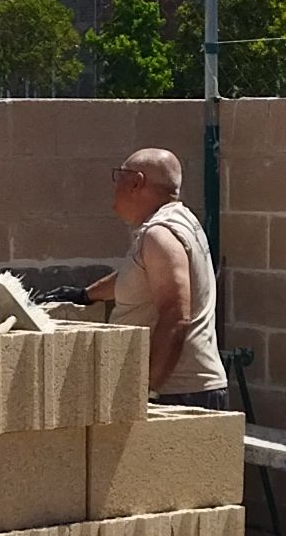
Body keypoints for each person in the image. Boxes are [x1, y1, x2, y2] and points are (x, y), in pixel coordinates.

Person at [88, 146, 226, 405]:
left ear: (136, 182)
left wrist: (148, 389)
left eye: (119, 176)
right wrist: (85, 294)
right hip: (180, 390)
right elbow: (141, 276)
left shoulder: (160, 234)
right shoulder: (178, 221)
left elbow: (175, 314)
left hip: (177, 393)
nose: (114, 186)